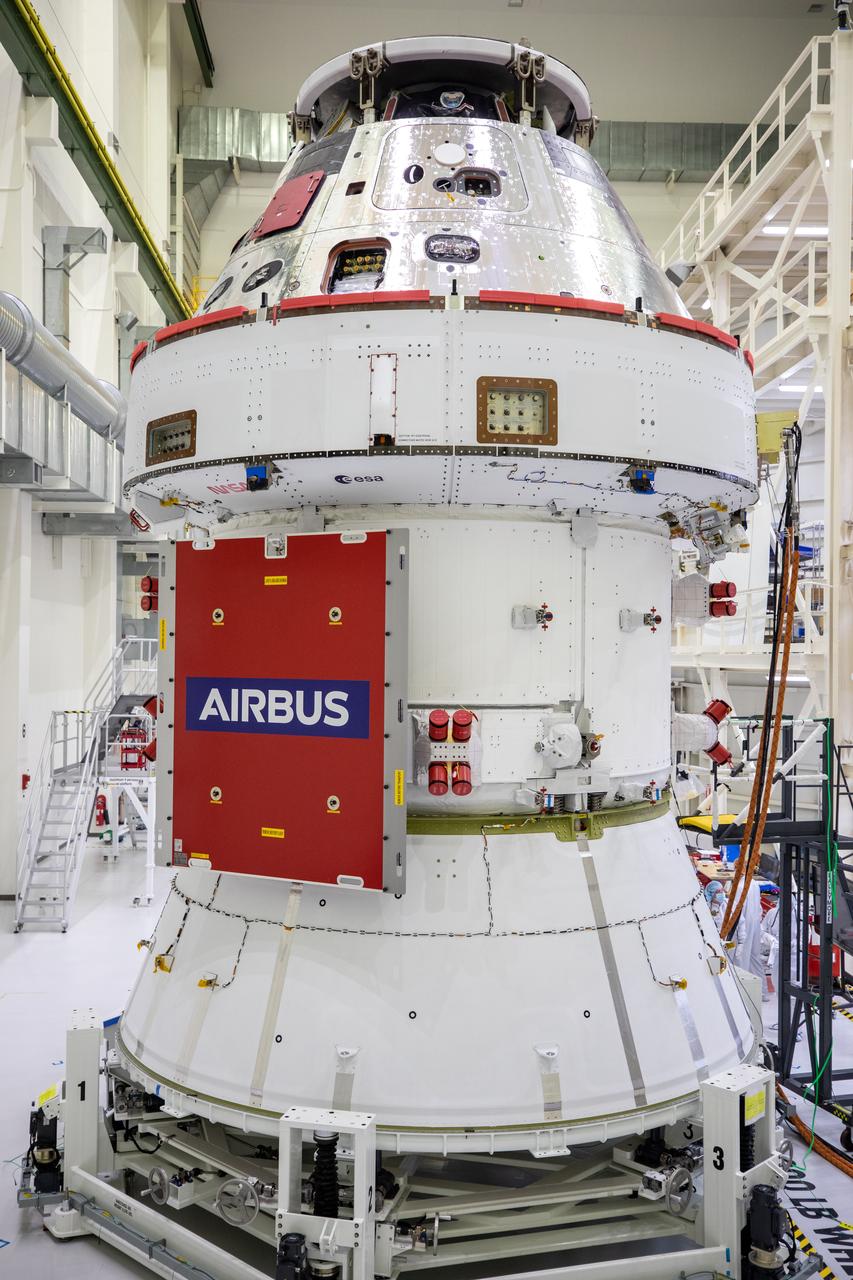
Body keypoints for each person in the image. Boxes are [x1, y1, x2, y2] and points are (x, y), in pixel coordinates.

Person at [730, 872, 764, 979]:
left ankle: (742, 987)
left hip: (744, 925)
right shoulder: (754, 883)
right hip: (755, 924)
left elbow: (736, 910)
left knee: (742, 958)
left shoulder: (740, 887)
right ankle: (762, 991)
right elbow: (758, 906)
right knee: (755, 958)